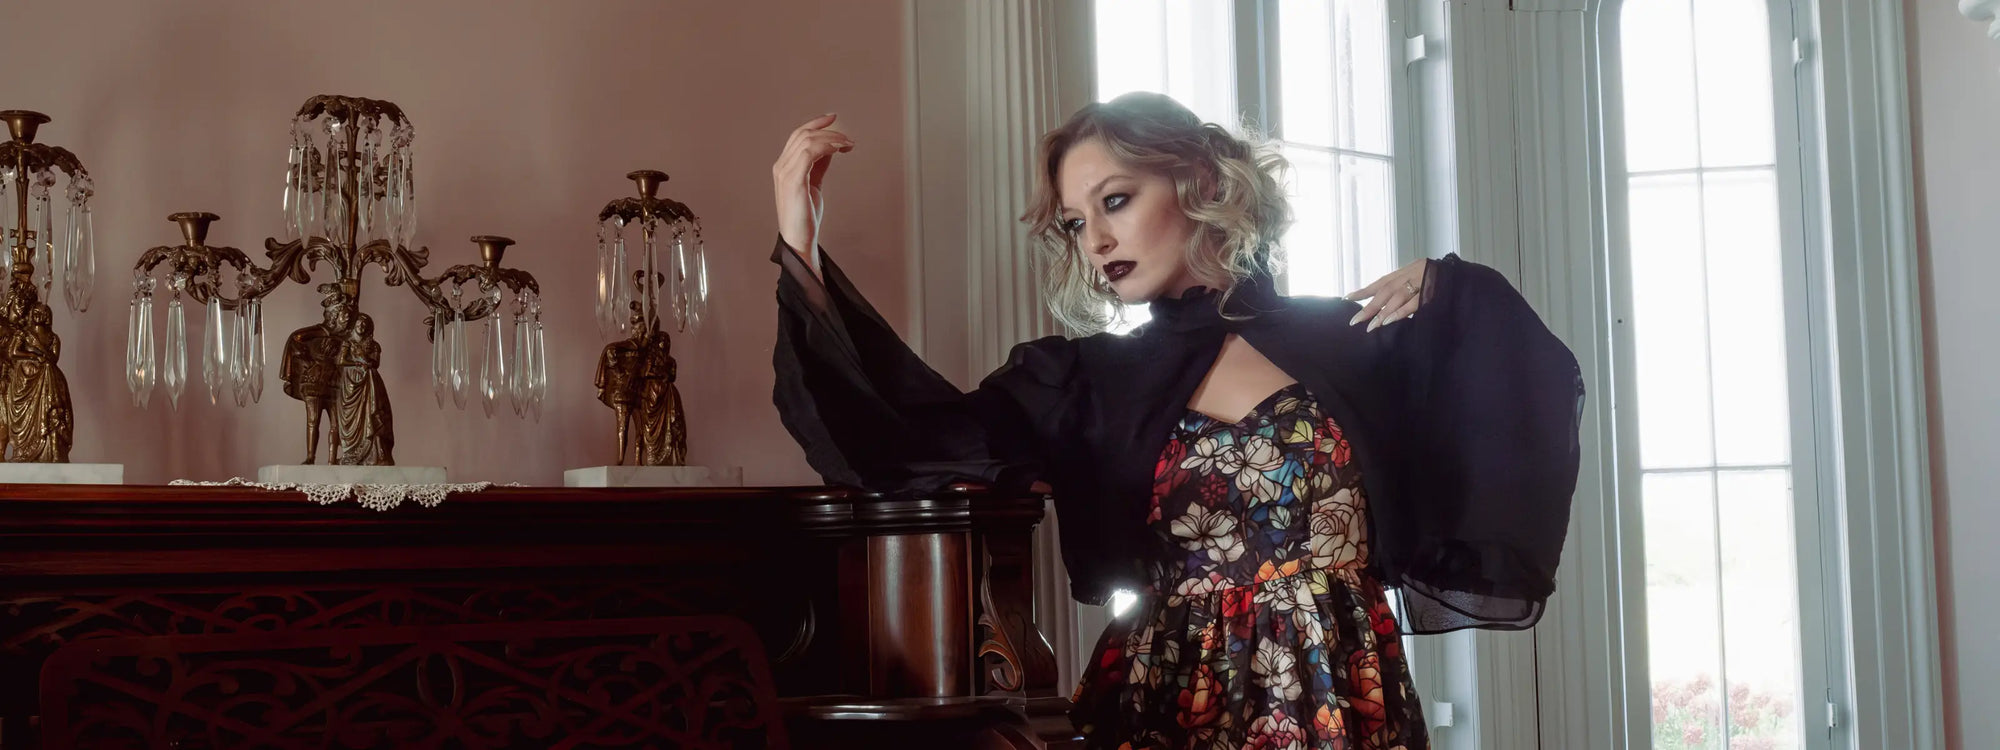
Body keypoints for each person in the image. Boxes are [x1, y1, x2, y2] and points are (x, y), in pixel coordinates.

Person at [767, 93, 1583, 749]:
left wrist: (1452, 291)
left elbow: (1519, 404)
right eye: (1078, 222)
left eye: (1115, 200)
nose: (1097, 239)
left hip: (1339, 690)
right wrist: (800, 243)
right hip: (1169, 692)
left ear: (1198, 180)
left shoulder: (1354, 342)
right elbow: (897, 440)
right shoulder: (1082, 378)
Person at [333, 313, 394, 465]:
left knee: (374, 413)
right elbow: (341, 360)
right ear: (353, 325)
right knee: (352, 418)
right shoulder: (348, 342)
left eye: (364, 325)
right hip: (351, 384)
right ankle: (352, 453)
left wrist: (365, 361)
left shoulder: (373, 345)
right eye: (358, 324)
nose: (361, 327)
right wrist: (358, 363)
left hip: (370, 381)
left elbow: (376, 363)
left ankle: (377, 452)